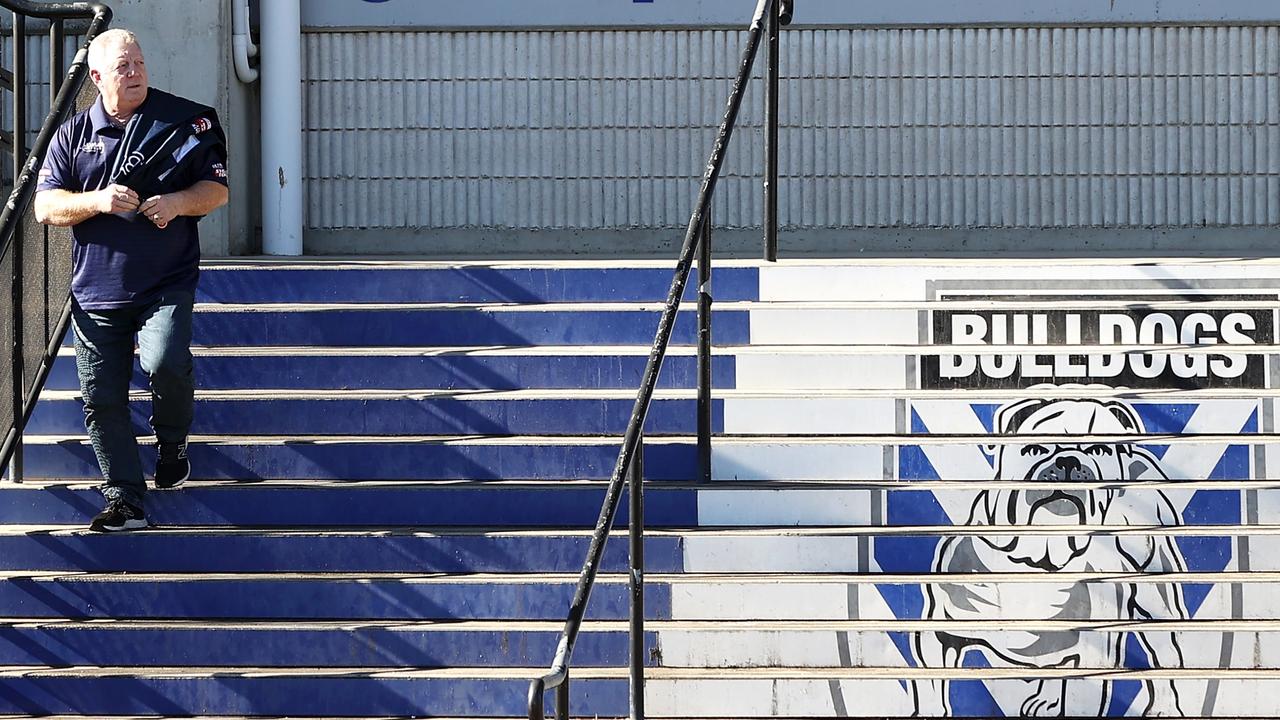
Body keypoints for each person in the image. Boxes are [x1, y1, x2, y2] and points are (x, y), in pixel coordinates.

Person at [34, 28, 228, 532]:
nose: (136, 72)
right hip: (96, 291)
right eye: (123, 66)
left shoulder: (184, 120)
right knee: (101, 399)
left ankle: (172, 440)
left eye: (140, 62)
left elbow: (216, 189)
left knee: (164, 360)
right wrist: (97, 200)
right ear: (96, 78)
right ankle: (124, 499)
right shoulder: (73, 133)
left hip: (167, 279)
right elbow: (44, 206)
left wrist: (178, 203)